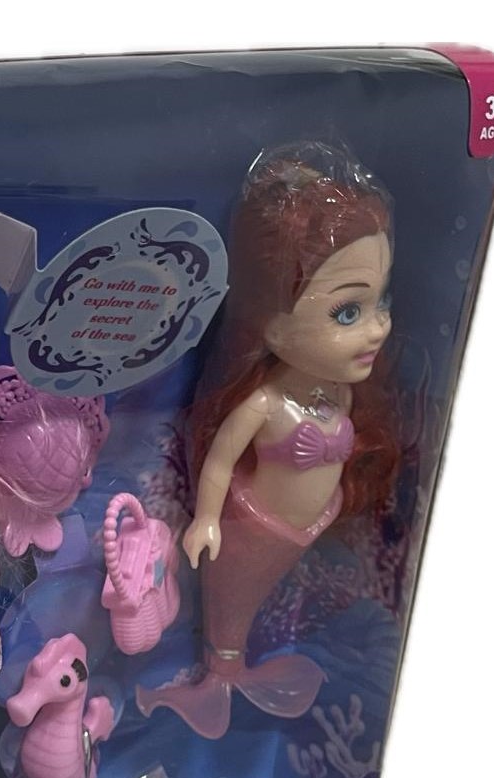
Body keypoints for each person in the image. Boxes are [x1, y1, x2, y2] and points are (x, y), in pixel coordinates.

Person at [138, 143, 399, 739]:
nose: (378, 328)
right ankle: (219, 674)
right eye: (347, 312)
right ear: (273, 324)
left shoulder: (341, 393)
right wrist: (207, 520)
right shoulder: (263, 405)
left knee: (256, 605)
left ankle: (239, 668)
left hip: (302, 531)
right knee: (231, 606)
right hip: (252, 528)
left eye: (380, 302)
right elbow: (220, 463)